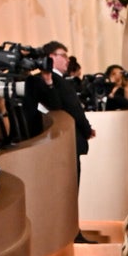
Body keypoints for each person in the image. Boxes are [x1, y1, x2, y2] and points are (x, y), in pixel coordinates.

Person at [40, 41, 95, 185]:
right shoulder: (57, 81)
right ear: (51, 57)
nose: (68, 60)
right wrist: (87, 130)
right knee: (70, 185)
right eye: (64, 56)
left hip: (57, 140)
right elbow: (74, 109)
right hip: (66, 139)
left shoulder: (54, 79)